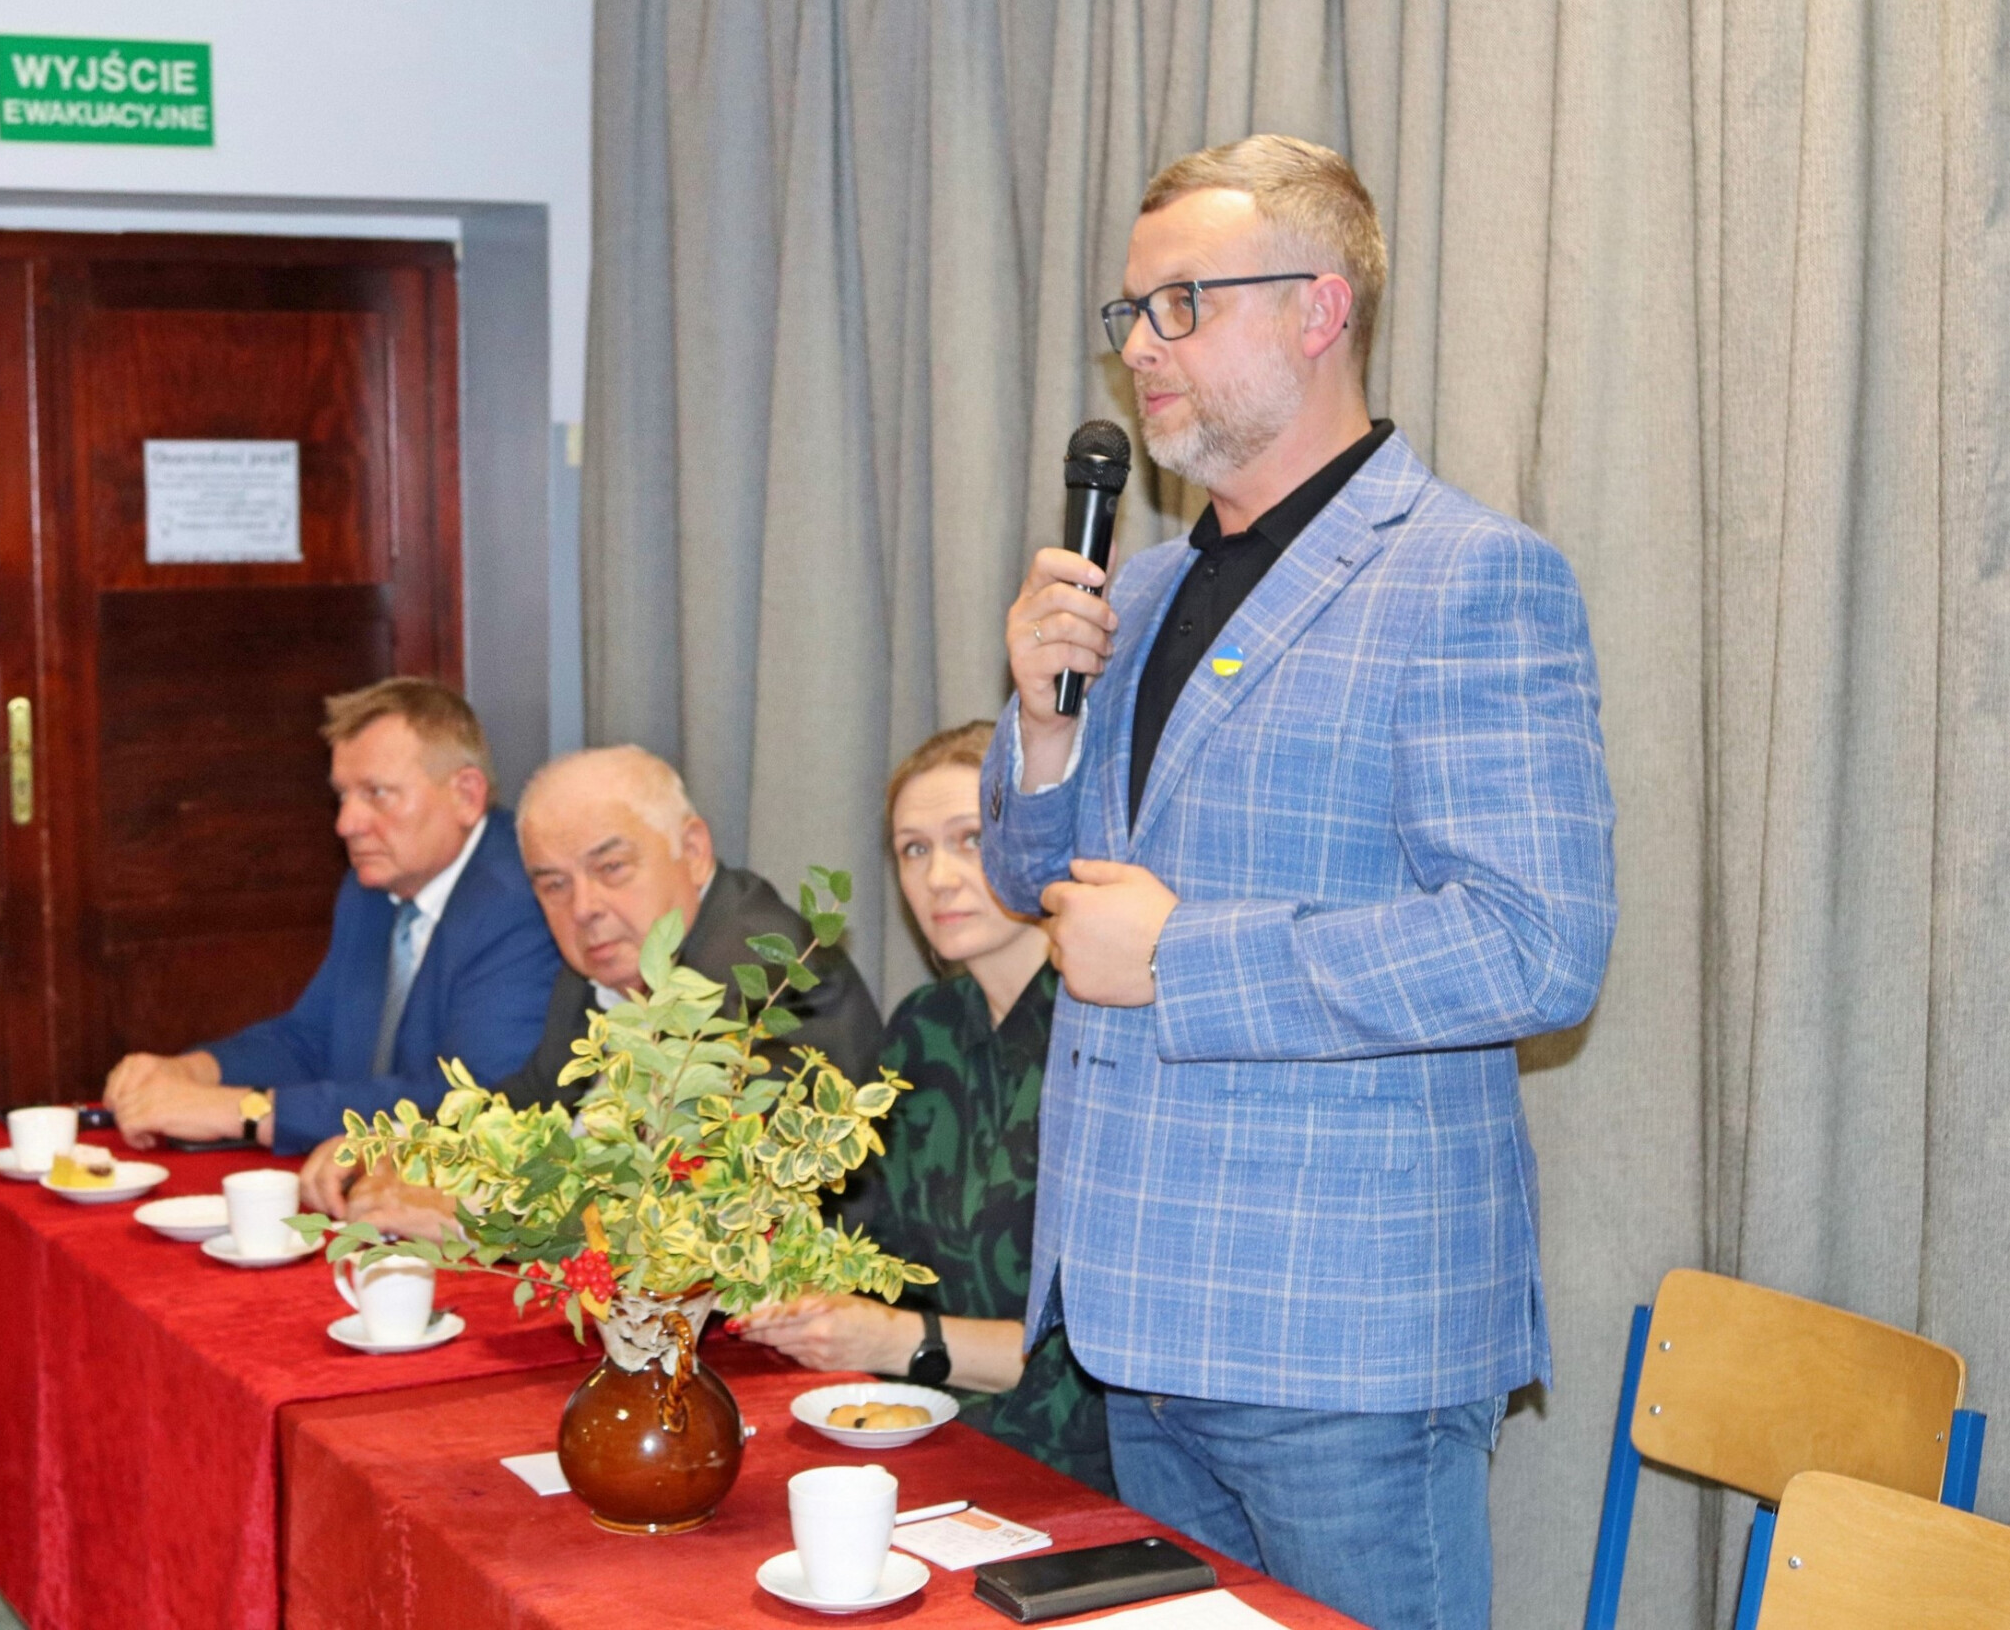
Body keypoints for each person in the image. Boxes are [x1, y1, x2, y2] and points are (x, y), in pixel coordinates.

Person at [981, 135, 1616, 1630]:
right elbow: (1035, 886)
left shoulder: (1466, 575)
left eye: (1180, 306)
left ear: (1320, 310)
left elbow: (1535, 946)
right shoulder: (1136, 588)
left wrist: (1185, 954)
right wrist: (1041, 727)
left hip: (1341, 1340)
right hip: (1142, 1316)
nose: (1140, 349)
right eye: (1130, 313)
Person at [737, 722, 1111, 1494]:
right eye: (913, 850)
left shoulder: (1106, 1033)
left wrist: (896, 1339)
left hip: (1079, 1468)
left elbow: (1097, 1365)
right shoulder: (924, 1027)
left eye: (969, 839)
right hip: (917, 1432)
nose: (938, 876)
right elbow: (871, 1254)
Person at [343, 743, 885, 1236]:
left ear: (694, 850)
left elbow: (684, 1212)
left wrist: (473, 1214)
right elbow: (530, 1101)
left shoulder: (764, 973)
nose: (583, 908)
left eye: (612, 867)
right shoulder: (608, 965)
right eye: (554, 884)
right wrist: (402, 1148)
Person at [103, 678, 564, 1166]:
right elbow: (312, 1040)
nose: (346, 824)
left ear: (466, 796)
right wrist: (195, 1072)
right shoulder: (372, 890)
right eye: (343, 795)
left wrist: (247, 1112)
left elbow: (472, 1101)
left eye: (377, 793)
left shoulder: (523, 901)